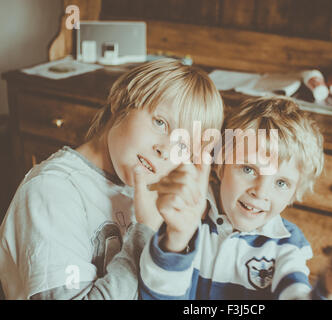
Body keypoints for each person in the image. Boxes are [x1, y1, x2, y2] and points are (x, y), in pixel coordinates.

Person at [0, 58, 224, 299]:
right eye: (160, 123)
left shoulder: (150, 194)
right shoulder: (51, 191)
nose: (165, 150)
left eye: (182, 145)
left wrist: (174, 243)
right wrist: (145, 232)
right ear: (120, 101)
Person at [137, 96, 332, 300]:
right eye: (248, 169)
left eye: (281, 183)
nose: (261, 192)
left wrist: (329, 289)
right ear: (219, 164)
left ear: (293, 194)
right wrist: (177, 240)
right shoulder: (184, 213)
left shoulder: (288, 247)